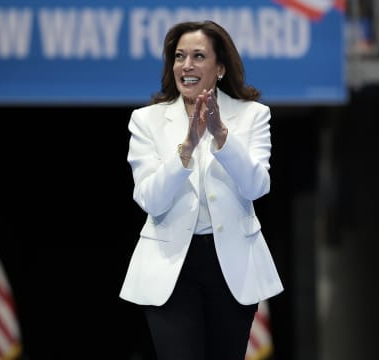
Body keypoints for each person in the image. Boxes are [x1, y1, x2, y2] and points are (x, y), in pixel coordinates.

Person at [119, 20, 284, 360]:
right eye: (179, 57)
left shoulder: (253, 116)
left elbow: (257, 186)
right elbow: (150, 199)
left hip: (232, 268)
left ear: (220, 67)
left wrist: (221, 136)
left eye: (198, 56)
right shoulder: (146, 121)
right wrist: (187, 147)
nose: (187, 65)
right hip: (170, 268)